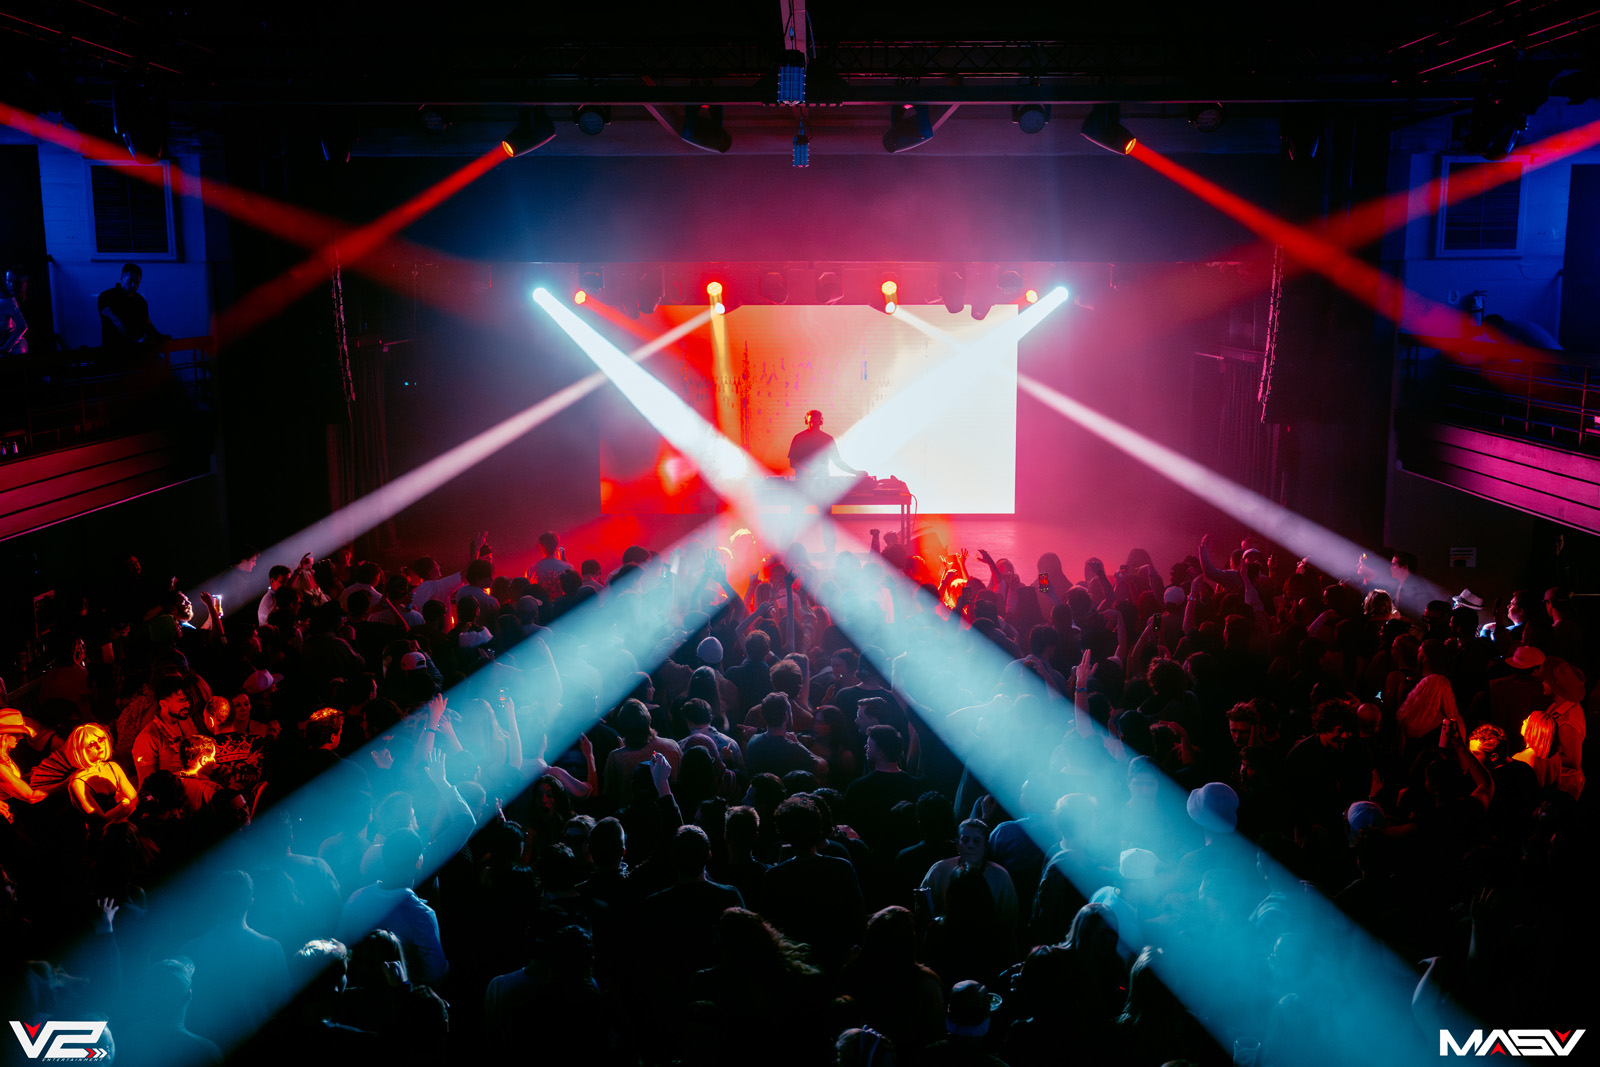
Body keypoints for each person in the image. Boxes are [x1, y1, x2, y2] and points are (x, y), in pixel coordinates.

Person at [788, 410, 864, 552]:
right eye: (811, 421)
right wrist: (808, 472)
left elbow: (837, 462)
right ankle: (787, 546)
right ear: (806, 421)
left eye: (816, 421)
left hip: (821, 484)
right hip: (803, 484)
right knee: (795, 515)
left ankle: (830, 548)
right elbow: (792, 462)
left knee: (826, 518)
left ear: (821, 421)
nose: (814, 424)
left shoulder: (827, 439)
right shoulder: (799, 438)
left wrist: (855, 472)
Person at [98, 262, 167, 356]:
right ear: (122, 278)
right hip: (115, 353)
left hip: (138, 352)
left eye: (137, 282)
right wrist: (139, 340)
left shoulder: (140, 301)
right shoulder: (107, 297)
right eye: (130, 281)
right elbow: (116, 322)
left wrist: (160, 338)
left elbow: (147, 324)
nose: (134, 285)